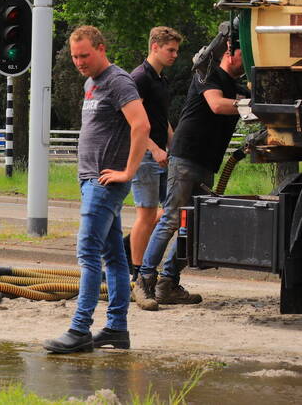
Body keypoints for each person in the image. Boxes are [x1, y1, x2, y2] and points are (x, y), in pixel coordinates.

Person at [44, 26, 149, 354]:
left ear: (101, 48)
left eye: (85, 56)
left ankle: (79, 329)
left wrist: (128, 172)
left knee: (88, 253)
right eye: (75, 57)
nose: (79, 62)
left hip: (104, 184)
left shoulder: (118, 81)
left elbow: (141, 125)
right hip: (90, 180)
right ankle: (117, 328)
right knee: (114, 258)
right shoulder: (90, 83)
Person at [133, 37, 244, 311]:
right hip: (186, 157)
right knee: (171, 219)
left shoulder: (236, 87)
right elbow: (216, 105)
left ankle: (168, 283)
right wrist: (249, 106)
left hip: (206, 162)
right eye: (246, 52)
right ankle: (143, 281)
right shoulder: (207, 75)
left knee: (193, 226)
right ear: (229, 52)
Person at [127, 27, 182, 280]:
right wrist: (153, 148)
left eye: (176, 51)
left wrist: (173, 145)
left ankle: (128, 252)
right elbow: (131, 120)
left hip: (161, 155)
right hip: (145, 155)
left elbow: (161, 118)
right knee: (147, 214)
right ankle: (138, 272)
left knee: (168, 211)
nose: (175, 55)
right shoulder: (139, 78)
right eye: (170, 50)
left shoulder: (161, 80)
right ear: (155, 47)